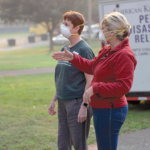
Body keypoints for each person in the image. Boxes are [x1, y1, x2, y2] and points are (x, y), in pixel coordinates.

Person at [52, 11, 137, 150]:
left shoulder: (124, 54)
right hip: (101, 108)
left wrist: (96, 88)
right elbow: (92, 66)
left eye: (103, 29)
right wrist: (73, 58)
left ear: (113, 31)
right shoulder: (107, 50)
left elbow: (123, 86)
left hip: (111, 109)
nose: (101, 31)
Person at [48, 11, 95, 150]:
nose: (63, 27)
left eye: (66, 24)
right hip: (63, 101)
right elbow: (62, 77)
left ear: (76, 28)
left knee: (79, 145)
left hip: (76, 102)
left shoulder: (84, 50)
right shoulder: (65, 48)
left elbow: (90, 80)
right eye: (63, 24)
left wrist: (84, 106)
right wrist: (54, 99)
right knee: (63, 145)